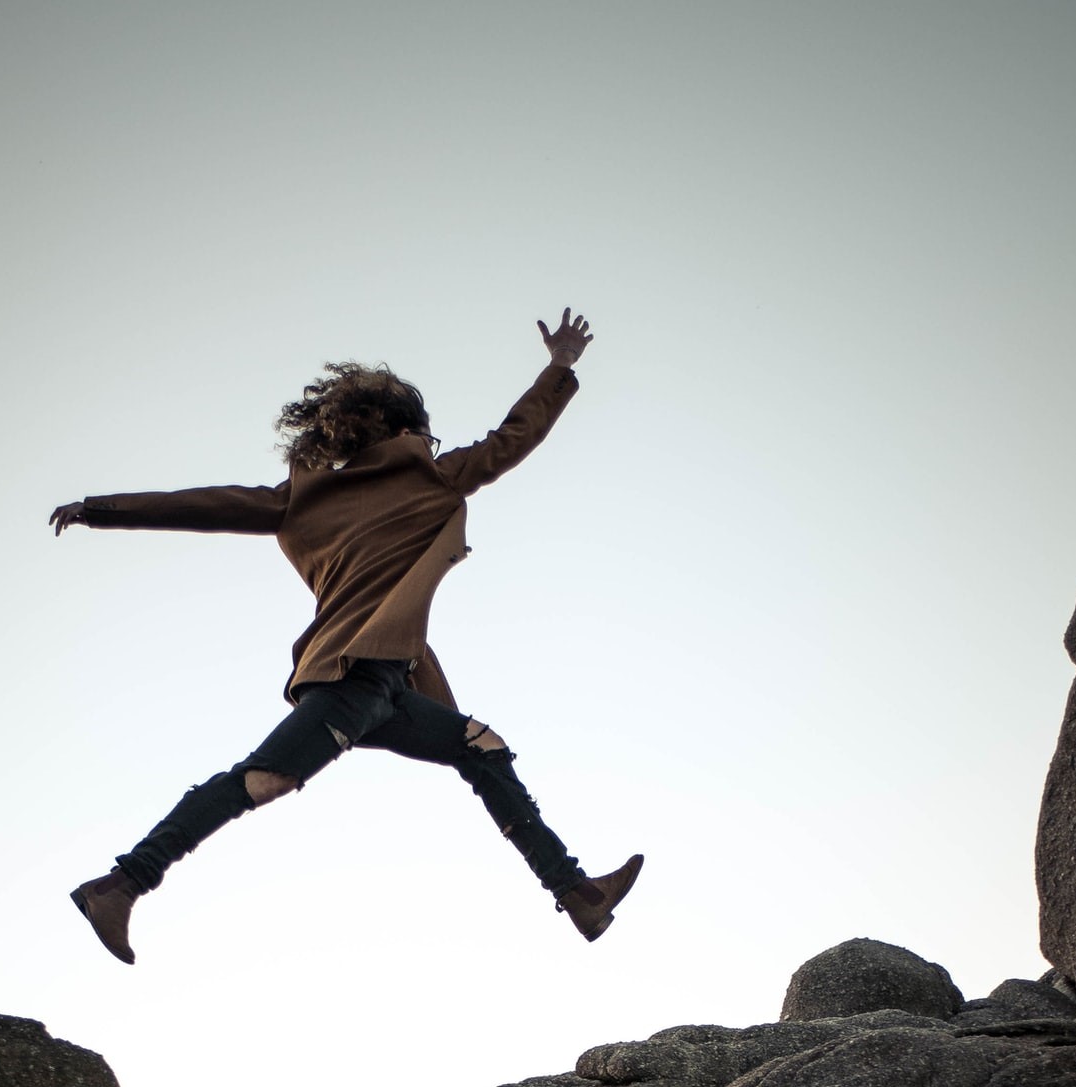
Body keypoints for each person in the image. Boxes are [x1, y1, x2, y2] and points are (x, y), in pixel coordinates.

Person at [50, 308, 642, 964]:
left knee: (481, 746)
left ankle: (577, 892)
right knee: (263, 778)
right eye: (423, 430)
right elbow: (513, 438)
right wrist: (558, 367)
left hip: (389, 684)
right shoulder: (425, 477)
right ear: (401, 429)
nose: (431, 440)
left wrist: (101, 509)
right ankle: (123, 883)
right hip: (351, 677)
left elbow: (203, 502)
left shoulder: (303, 496)